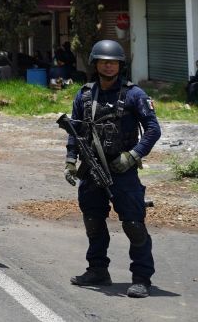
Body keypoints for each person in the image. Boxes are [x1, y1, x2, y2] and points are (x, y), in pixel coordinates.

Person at [65, 39, 161, 298]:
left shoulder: (134, 94)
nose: (108, 66)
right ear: (95, 64)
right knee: (93, 221)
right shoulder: (85, 95)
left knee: (133, 223)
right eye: (104, 62)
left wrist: (132, 156)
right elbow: (75, 131)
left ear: (120, 65)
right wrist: (70, 160)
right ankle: (97, 270)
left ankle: (142, 277)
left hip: (122, 170)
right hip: (91, 169)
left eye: (113, 62)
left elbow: (153, 130)